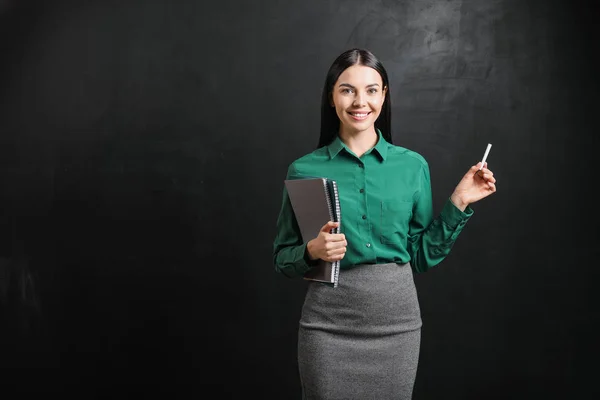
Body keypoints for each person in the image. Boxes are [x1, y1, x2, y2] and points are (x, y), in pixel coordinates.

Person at [272, 48, 497, 400]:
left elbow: (419, 256)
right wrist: (311, 251)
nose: (360, 101)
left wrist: (460, 202)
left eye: (371, 90)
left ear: (384, 95)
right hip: (326, 328)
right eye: (347, 89)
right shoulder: (304, 170)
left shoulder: (413, 166)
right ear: (331, 98)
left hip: (397, 327)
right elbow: (282, 259)